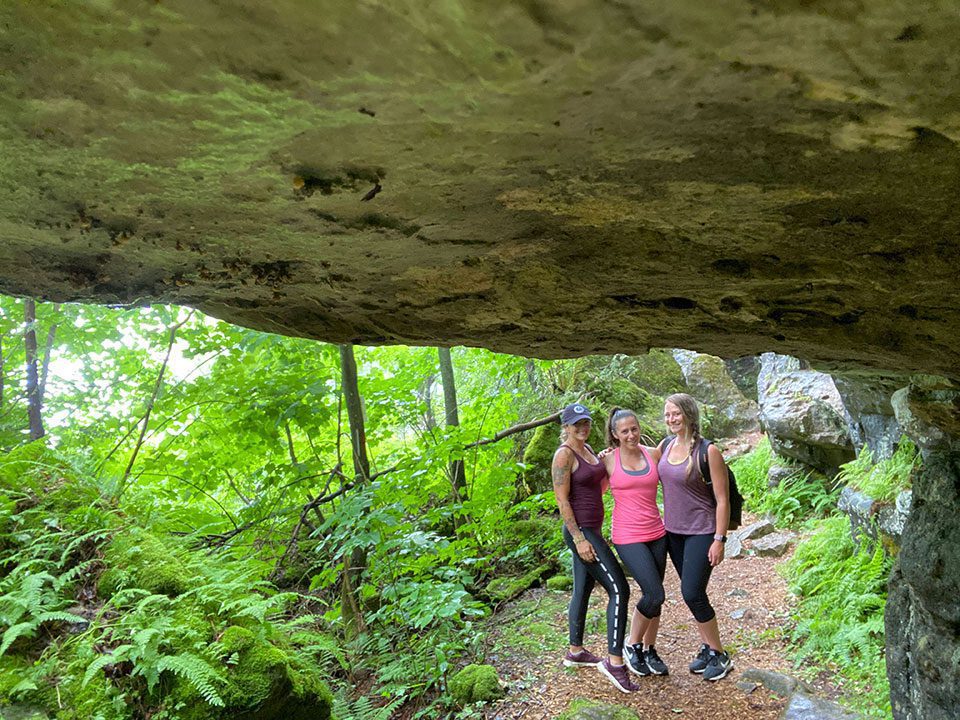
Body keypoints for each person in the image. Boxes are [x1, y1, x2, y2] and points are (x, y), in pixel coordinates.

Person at [551, 402, 637, 693]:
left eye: (586, 422)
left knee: (583, 589)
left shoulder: (587, 450)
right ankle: (614, 663)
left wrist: (600, 463)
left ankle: (575, 652)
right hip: (583, 532)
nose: (583, 428)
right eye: (577, 425)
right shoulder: (564, 454)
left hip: (592, 528)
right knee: (619, 589)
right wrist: (578, 539)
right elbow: (562, 500)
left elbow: (594, 489)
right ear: (566, 427)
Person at [658, 393, 733, 681]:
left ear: (689, 414)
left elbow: (722, 499)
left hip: (702, 531)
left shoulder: (708, 451)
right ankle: (707, 647)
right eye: (667, 414)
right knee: (694, 594)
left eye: (676, 413)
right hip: (673, 533)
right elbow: (634, 455)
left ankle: (719, 653)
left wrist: (720, 539)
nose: (671, 419)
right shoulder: (665, 446)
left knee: (691, 593)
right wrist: (608, 451)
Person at [602, 407, 670, 678]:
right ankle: (632, 645)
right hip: (627, 536)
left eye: (634, 429)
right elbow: (589, 492)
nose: (631, 434)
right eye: (624, 431)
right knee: (654, 593)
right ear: (615, 435)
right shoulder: (607, 461)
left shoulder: (652, 454)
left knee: (656, 599)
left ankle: (649, 649)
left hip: (657, 533)